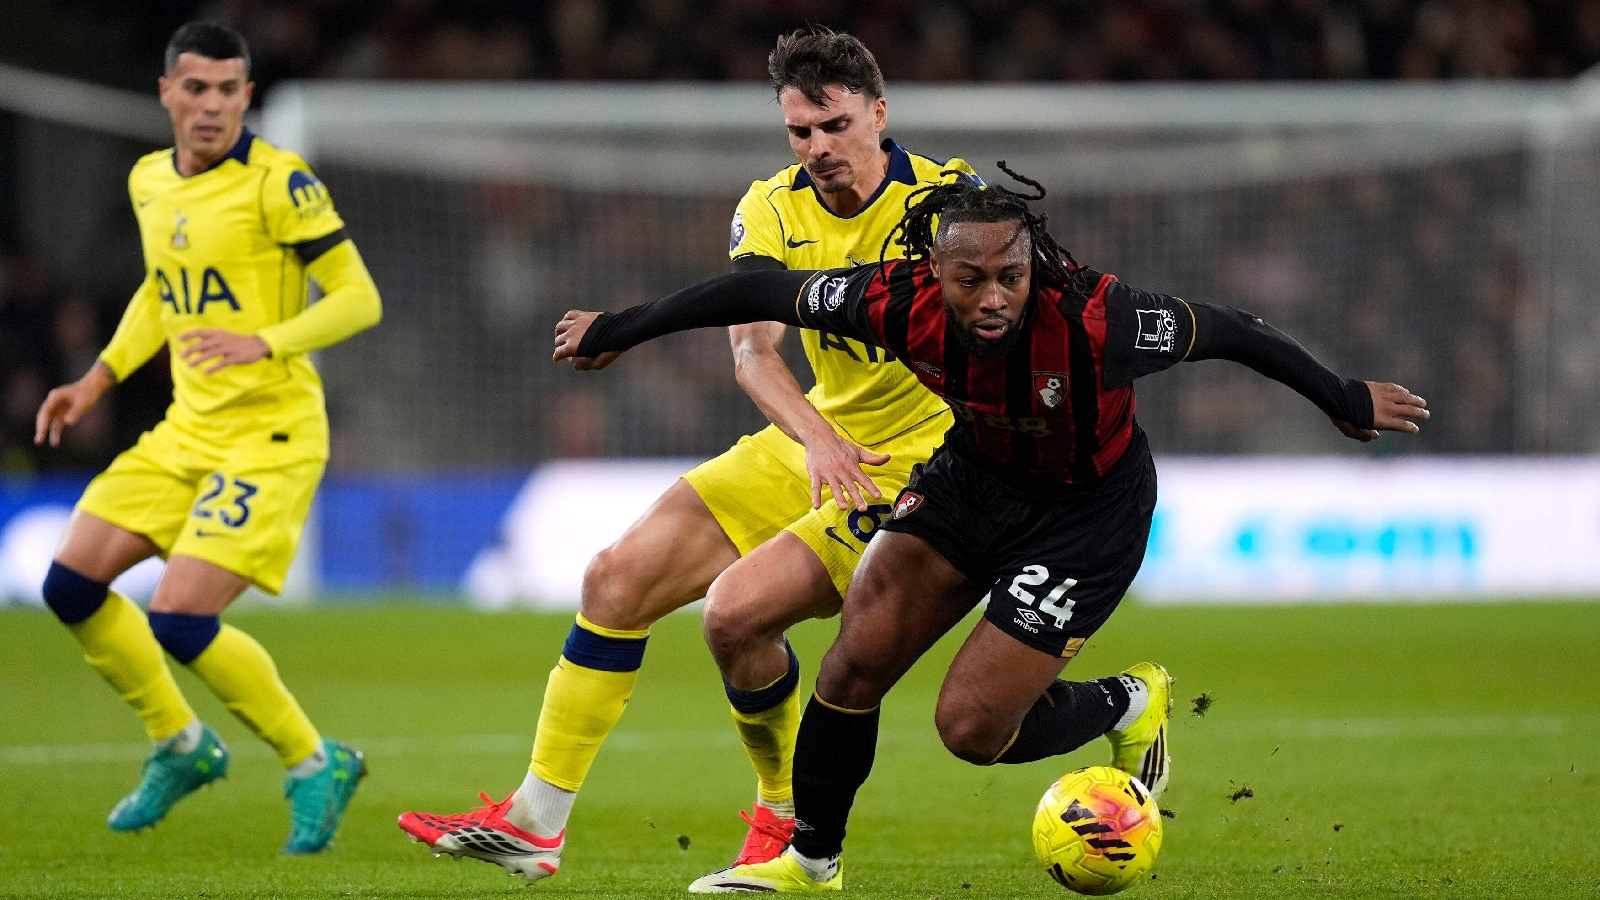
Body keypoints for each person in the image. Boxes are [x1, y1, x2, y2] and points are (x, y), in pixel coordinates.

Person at [552, 165, 1429, 891]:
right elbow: (754, 288)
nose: (994, 297)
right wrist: (618, 329)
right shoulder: (893, 300)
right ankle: (811, 862)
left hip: (1086, 518)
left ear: (1031, 263)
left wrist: (1343, 397)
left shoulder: (1098, 318)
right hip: (972, 484)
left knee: (969, 730)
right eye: (969, 279)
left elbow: (1234, 331)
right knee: (854, 661)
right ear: (934, 271)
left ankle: (1128, 700)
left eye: (1011, 275)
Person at [397, 26, 984, 881]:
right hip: (820, 436)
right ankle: (535, 822)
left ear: (879, 114)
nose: (819, 147)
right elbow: (751, 349)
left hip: (926, 460)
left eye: (835, 125)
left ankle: (787, 823)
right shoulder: (771, 206)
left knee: (734, 615)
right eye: (800, 131)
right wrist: (818, 437)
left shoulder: (946, 201)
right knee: (615, 579)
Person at [33, 21, 381, 853]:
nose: (212, 106)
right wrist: (97, 378)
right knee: (71, 586)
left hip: (270, 434)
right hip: (187, 429)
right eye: (196, 89)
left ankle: (315, 762)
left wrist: (266, 341)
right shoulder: (150, 180)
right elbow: (163, 289)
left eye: (228, 90)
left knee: (180, 619)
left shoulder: (280, 183)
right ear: (167, 94)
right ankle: (180, 744)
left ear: (247, 96)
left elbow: (358, 297)